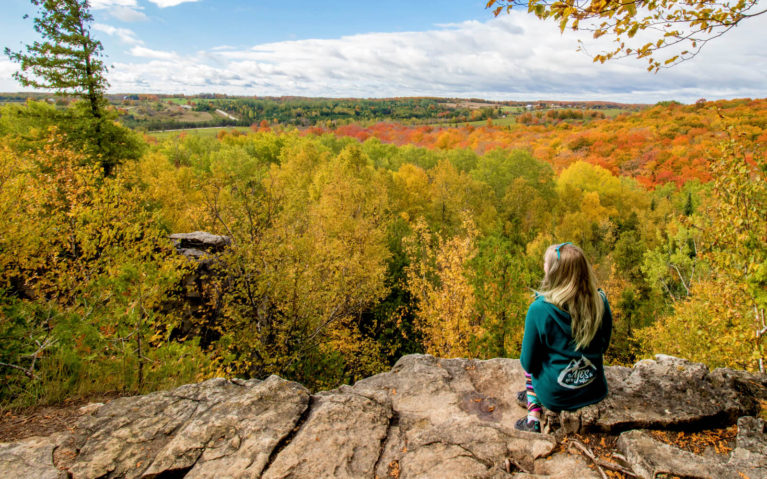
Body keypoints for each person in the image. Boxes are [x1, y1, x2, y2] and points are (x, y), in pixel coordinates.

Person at [515, 242, 612, 433]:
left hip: (556, 396)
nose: (543, 266)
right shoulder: (600, 302)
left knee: (531, 367)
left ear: (554, 274)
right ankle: (533, 396)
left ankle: (533, 417)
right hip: (594, 389)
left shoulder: (539, 309)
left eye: (546, 263)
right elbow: (603, 345)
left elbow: (528, 363)